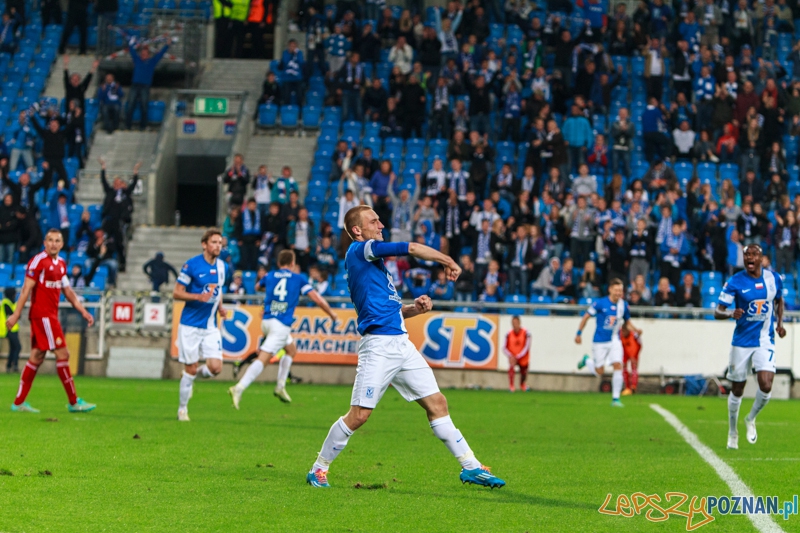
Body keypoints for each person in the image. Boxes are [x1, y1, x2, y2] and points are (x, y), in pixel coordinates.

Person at [306, 205, 505, 489]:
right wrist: (447, 260)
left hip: (401, 343)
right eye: (373, 221)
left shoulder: (373, 267)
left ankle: (471, 467)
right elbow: (410, 247)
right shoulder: (360, 250)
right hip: (379, 347)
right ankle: (318, 468)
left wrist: (414, 309)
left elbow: (387, 311)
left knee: (438, 403)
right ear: (357, 231)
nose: (381, 224)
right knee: (360, 415)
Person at [229, 249, 337, 408]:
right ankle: (239, 387)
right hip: (280, 325)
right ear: (293, 263)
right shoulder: (298, 278)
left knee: (291, 350)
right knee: (263, 359)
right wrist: (332, 314)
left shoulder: (270, 275)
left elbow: (258, 286)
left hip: (267, 321)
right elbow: (317, 299)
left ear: (279, 263)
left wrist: (270, 290)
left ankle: (280, 386)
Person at [8, 229, 96, 413]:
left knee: (37, 356)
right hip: (43, 315)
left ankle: (18, 403)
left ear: (62, 244)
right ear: (44, 242)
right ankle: (73, 402)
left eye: (57, 240)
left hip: (49, 316)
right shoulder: (39, 261)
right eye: (50, 240)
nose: (54, 243)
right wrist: (16, 314)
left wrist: (83, 311)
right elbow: (26, 289)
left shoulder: (61, 264)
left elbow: (68, 292)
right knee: (63, 354)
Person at [715, 244, 785, 450]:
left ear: (762, 258)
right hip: (742, 342)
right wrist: (730, 313)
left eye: (754, 254)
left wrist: (780, 325)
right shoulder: (735, 281)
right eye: (746, 255)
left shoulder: (774, 279)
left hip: (765, 339)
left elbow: (779, 301)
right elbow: (718, 311)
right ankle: (732, 432)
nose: (749, 258)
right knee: (737, 389)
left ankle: (751, 418)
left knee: (766, 385)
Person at [173, 229, 227, 422]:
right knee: (191, 368)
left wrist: (220, 307)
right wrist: (197, 296)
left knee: (216, 368)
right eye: (214, 242)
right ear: (204, 244)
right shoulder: (192, 265)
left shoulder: (222, 267)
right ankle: (182, 409)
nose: (218, 246)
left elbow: (217, 290)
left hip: (210, 325)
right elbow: (177, 293)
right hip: (190, 325)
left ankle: (192, 377)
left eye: (220, 243)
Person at [574, 278, 642, 407]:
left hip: (614, 340)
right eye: (616, 290)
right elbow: (586, 317)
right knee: (599, 372)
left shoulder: (623, 305)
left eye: (620, 290)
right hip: (599, 341)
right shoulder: (600, 303)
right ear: (610, 289)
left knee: (618, 365)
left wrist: (636, 329)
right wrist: (579, 333)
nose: (618, 293)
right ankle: (587, 360)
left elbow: (627, 322)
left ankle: (615, 399)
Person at [99, 158, 140, 273]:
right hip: (108, 219)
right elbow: (103, 182)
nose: (116, 184)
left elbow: (133, 185)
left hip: (118, 221)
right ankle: (101, 258)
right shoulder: (110, 192)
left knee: (119, 242)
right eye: (115, 183)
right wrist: (103, 169)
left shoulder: (125, 194)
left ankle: (122, 263)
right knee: (103, 239)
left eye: (118, 183)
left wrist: (135, 172)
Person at [126, 41, 169, 131]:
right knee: (130, 106)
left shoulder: (152, 62)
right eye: (142, 54)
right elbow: (132, 51)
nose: (143, 55)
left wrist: (167, 45)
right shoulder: (137, 60)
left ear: (148, 55)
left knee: (144, 107)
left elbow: (160, 54)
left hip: (145, 86)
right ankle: (128, 126)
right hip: (135, 85)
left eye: (144, 54)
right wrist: (129, 43)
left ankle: (142, 126)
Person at [504, 315, 531, 392]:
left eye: (516, 322)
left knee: (524, 371)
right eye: (513, 323)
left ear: (519, 323)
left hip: (523, 356)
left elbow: (527, 346)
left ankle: (522, 384)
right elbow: (504, 347)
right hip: (513, 356)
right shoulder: (508, 334)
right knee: (511, 366)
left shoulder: (526, 333)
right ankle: (511, 386)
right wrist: (510, 355)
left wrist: (519, 355)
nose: (514, 324)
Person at [1, 287, 20, 373]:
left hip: (13, 328)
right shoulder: (6, 303)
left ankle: (9, 366)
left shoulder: (12, 303)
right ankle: (14, 365)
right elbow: (12, 314)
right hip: (8, 329)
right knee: (17, 347)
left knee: (13, 348)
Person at [620, 322, 641, 396]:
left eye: (624, 331)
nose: (623, 333)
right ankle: (627, 388)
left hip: (634, 351)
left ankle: (633, 386)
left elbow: (639, 344)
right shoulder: (619, 333)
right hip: (625, 350)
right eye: (622, 331)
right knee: (624, 367)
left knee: (634, 367)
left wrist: (633, 356)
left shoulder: (634, 335)